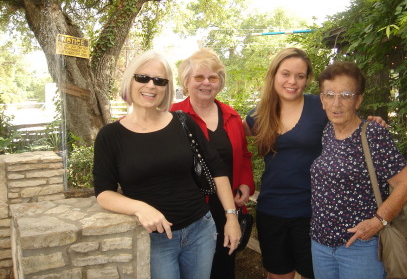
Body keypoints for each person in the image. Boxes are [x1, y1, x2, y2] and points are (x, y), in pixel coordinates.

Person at [93, 51, 241, 279]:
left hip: (201, 229)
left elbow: (217, 169)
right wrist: (140, 208)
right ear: (130, 80)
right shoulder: (111, 135)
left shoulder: (182, 122)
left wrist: (231, 218)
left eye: (159, 81)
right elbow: (104, 193)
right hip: (156, 238)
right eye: (142, 78)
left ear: (166, 87)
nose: (151, 86)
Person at [242, 48, 386, 279]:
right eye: (286, 74)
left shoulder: (319, 107)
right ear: (274, 75)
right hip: (271, 210)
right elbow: (230, 139)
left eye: (300, 76)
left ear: (307, 79)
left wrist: (374, 122)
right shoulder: (258, 115)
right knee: (277, 274)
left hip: (313, 212)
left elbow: (351, 122)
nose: (292, 81)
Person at [310, 61, 407, 279]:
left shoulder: (373, 134)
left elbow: (406, 183)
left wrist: (378, 222)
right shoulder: (328, 131)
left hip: (360, 247)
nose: (336, 103)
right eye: (329, 94)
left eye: (346, 95)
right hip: (320, 245)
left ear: (358, 100)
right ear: (322, 100)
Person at [171, 48, 255, 279]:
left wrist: (246, 185)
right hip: (188, 213)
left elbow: (244, 155)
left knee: (222, 268)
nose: (206, 83)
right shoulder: (172, 116)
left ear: (220, 82)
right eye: (199, 77)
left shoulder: (231, 116)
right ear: (186, 81)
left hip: (226, 209)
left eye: (212, 77)